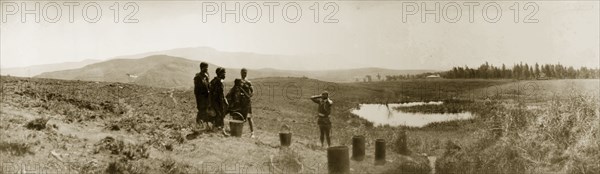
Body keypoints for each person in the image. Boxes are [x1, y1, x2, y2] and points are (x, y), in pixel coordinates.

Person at [210, 67, 228, 135]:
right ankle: (222, 130)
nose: (225, 75)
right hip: (218, 102)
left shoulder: (213, 81)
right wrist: (225, 101)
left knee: (218, 114)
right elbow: (221, 94)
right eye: (224, 73)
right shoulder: (219, 82)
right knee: (220, 114)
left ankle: (216, 128)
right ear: (220, 74)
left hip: (214, 101)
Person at [193, 62, 211, 130]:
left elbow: (208, 85)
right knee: (201, 110)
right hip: (201, 98)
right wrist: (199, 99)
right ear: (201, 68)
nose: (206, 69)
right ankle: (198, 125)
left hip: (207, 97)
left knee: (206, 111)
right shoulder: (198, 77)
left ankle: (205, 125)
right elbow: (196, 90)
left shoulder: (206, 76)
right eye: (205, 67)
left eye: (207, 67)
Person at [240, 68, 255, 138]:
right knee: (240, 117)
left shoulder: (248, 82)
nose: (244, 74)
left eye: (245, 73)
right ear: (241, 73)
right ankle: (239, 131)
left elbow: (252, 92)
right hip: (240, 102)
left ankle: (252, 133)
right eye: (243, 73)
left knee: (249, 117)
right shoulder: (239, 82)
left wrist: (249, 96)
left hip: (247, 102)